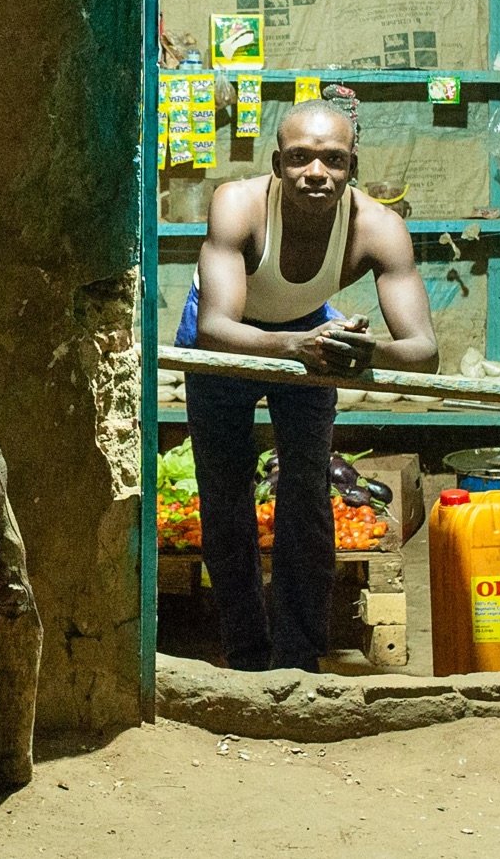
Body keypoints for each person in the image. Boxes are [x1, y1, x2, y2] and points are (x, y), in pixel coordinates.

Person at [175, 97, 438, 671]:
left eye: (333, 161)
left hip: (309, 333)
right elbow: (216, 329)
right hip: (231, 335)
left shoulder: (378, 228)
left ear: (352, 167)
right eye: (299, 158)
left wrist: (364, 353)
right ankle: (245, 653)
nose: (315, 174)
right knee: (225, 494)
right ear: (276, 163)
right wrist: (295, 346)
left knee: (307, 489)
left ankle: (297, 657)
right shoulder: (237, 205)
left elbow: (424, 351)